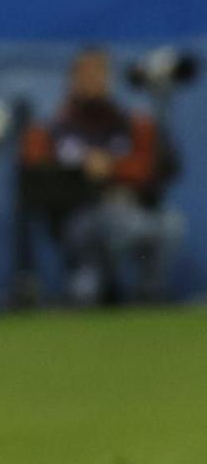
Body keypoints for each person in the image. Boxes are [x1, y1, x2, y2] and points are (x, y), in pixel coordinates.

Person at [21, 47, 185, 305]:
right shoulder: (53, 128)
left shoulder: (131, 123)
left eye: (100, 73)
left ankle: (149, 298)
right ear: (72, 78)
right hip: (77, 216)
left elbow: (160, 169)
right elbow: (34, 177)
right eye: (86, 73)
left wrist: (113, 169)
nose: (93, 80)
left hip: (131, 210)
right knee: (114, 222)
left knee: (169, 225)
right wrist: (80, 172)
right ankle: (95, 290)